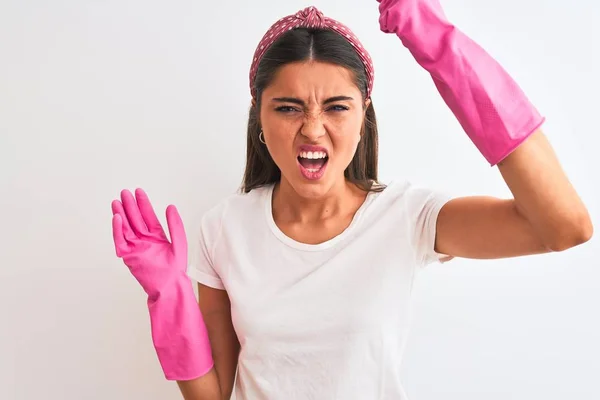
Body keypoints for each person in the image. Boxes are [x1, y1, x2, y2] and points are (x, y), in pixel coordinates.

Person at [110, 2, 593, 399]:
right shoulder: (223, 228)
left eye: (336, 107)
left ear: (364, 116)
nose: (312, 128)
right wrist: (168, 298)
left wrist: (443, 50)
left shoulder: (408, 217)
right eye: (288, 107)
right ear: (259, 116)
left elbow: (564, 227)